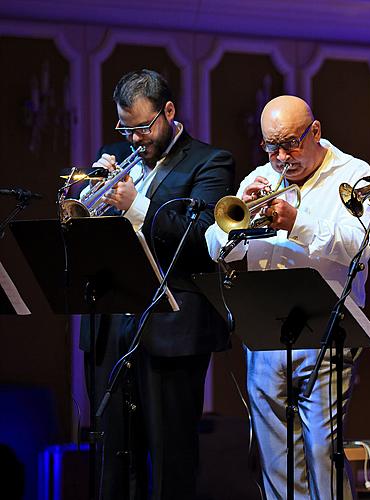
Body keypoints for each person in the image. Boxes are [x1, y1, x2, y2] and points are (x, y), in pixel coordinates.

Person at [204, 95, 370, 499]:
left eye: (291, 144)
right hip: (266, 333)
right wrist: (239, 218)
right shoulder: (260, 176)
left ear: (315, 132)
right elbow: (218, 249)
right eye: (271, 146)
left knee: (321, 453)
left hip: (328, 332)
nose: (282, 157)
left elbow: (359, 246)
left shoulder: (354, 173)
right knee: (275, 457)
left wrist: (297, 221)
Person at [81, 69, 235, 499]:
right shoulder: (111, 155)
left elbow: (201, 238)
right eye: (125, 129)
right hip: (111, 325)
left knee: (171, 457)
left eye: (143, 128)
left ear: (168, 112)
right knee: (112, 456)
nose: (133, 140)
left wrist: (136, 206)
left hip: (173, 328)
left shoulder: (210, 162)